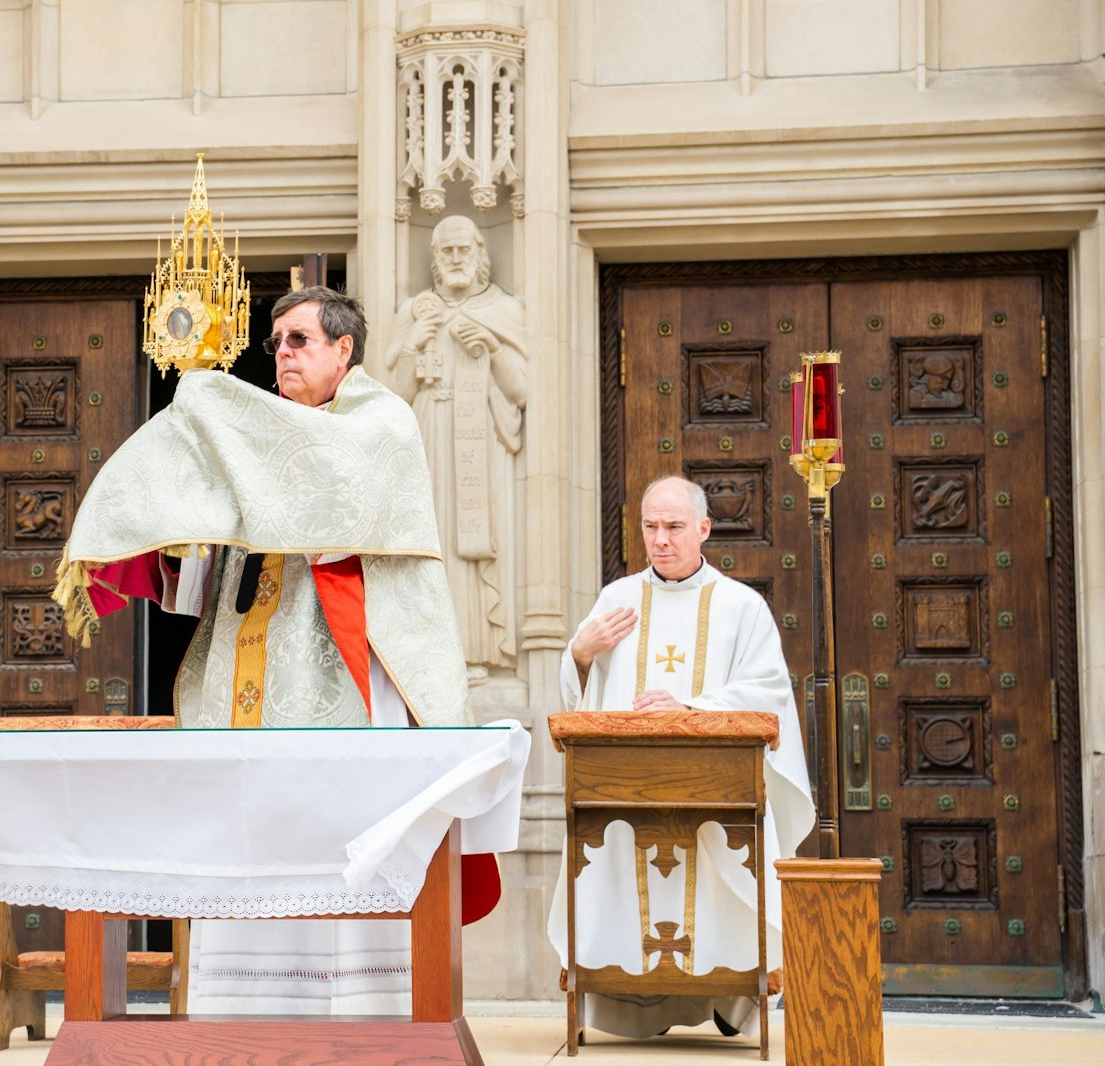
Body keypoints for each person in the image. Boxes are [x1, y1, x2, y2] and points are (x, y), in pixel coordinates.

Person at [54, 286, 486, 1015]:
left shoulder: (382, 422)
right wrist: (182, 522)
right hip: (243, 672)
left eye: (299, 340)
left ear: (344, 349)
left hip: (341, 675)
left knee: (334, 834)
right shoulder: (258, 434)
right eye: (275, 343)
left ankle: (358, 1016)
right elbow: (210, 566)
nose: (281, 354)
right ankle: (245, 1018)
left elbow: (324, 491)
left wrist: (215, 410)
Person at [546, 476, 814, 1041]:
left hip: (717, 788)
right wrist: (580, 653)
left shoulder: (740, 606)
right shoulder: (617, 599)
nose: (660, 540)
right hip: (624, 789)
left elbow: (768, 692)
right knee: (619, 879)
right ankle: (628, 999)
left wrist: (690, 705)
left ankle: (726, 995)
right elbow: (578, 693)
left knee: (719, 889)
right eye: (650, 527)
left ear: (703, 530)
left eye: (673, 527)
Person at [387, 216, 528, 679]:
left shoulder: (504, 309)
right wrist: (414, 342)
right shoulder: (415, 312)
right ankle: (426, 652)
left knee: (474, 546)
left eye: (462, 250)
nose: (454, 259)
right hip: (425, 435)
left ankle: (472, 652)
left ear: (480, 254)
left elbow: (522, 392)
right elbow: (391, 399)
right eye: (445, 251)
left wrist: (492, 345)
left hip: (480, 446)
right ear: (434, 259)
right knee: (432, 541)